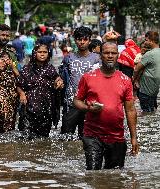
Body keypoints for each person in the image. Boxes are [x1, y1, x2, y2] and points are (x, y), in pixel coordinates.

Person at [73, 42, 139, 170]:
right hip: (92, 136)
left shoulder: (125, 80)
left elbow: (130, 110)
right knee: (93, 173)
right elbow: (76, 100)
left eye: (113, 53)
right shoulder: (88, 77)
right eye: (106, 53)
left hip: (116, 137)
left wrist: (134, 138)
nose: (110, 56)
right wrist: (88, 108)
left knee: (114, 175)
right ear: (100, 56)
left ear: (117, 56)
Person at [59, 26, 101, 139]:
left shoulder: (97, 59)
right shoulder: (68, 58)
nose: (82, 42)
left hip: (89, 103)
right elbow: (61, 77)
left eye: (85, 39)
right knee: (66, 138)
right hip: (71, 102)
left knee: (87, 137)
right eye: (79, 39)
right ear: (75, 40)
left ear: (89, 40)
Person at [17, 44, 64, 137]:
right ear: (35, 53)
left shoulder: (50, 68)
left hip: (46, 110)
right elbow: (18, 84)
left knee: (43, 140)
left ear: (48, 54)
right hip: (29, 109)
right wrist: (22, 93)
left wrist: (59, 83)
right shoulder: (27, 69)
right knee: (26, 138)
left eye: (45, 52)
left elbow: (57, 79)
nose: (42, 54)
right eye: (40, 52)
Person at [133, 31, 160, 113]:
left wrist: (135, 80)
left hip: (145, 91)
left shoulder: (149, 54)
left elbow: (136, 69)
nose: (145, 42)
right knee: (152, 111)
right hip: (155, 90)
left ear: (151, 41)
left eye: (146, 40)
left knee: (146, 113)